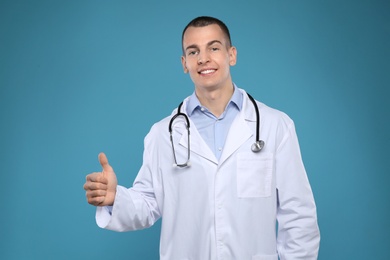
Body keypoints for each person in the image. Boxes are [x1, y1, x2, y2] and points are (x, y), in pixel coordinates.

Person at [83, 16, 320, 260]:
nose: (204, 58)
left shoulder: (275, 126)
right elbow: (148, 202)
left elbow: (298, 214)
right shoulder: (162, 134)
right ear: (184, 63)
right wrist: (114, 199)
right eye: (193, 51)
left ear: (232, 55)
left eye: (214, 48)